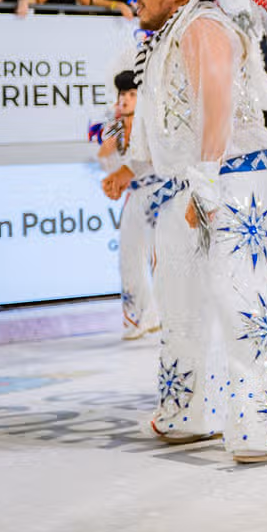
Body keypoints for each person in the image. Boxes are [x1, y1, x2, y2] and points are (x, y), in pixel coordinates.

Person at [99, 0, 267, 462]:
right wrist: (134, 169)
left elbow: (217, 106)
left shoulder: (205, 25)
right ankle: (187, 413)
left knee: (239, 297)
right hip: (194, 182)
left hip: (230, 179)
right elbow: (167, 122)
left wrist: (205, 186)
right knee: (179, 300)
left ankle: (265, 425)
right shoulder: (171, 32)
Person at [96, 67, 162, 340]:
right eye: (122, 93)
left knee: (162, 257)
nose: (125, 99)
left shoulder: (153, 123)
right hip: (134, 194)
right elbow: (103, 155)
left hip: (160, 191)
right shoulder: (115, 125)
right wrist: (116, 127)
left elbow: (151, 159)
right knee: (129, 256)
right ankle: (136, 318)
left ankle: (165, 315)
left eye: (132, 93)